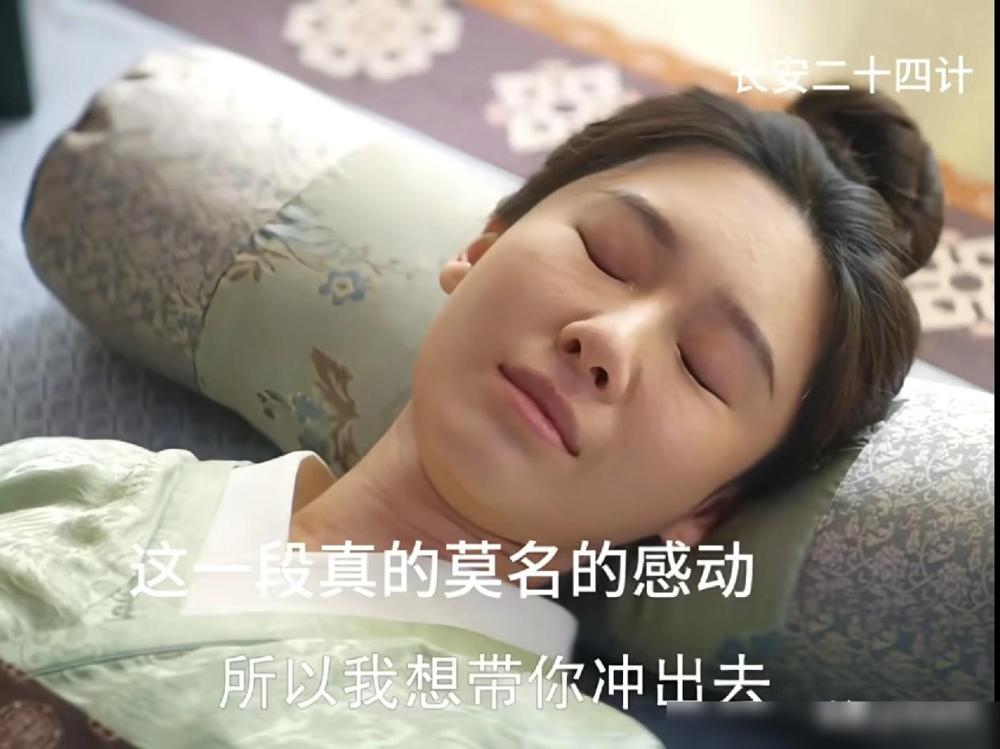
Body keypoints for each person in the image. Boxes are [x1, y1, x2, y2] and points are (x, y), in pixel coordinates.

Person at [0, 85, 942, 747]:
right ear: (482, 246)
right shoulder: (66, 481)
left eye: (704, 367)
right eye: (608, 255)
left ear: (709, 506)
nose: (607, 340)